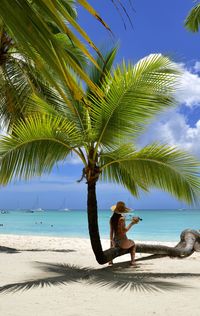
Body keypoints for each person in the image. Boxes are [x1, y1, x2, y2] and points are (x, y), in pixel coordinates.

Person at [109, 201, 140, 266]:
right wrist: (132, 223)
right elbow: (124, 231)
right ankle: (133, 261)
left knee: (112, 242)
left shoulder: (111, 219)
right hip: (122, 242)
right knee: (133, 244)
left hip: (115, 241)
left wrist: (112, 241)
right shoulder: (122, 219)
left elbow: (111, 232)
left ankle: (110, 261)